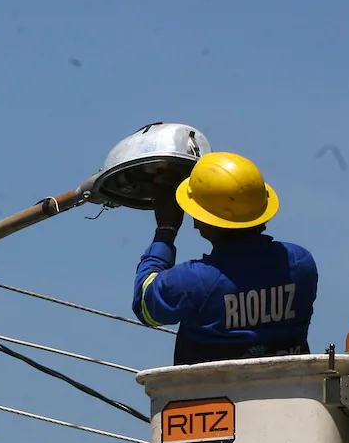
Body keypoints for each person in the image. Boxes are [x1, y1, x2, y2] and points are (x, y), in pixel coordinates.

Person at [132, 152, 317, 365]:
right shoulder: (300, 264)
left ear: (204, 220)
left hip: (209, 396)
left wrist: (166, 229)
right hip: (288, 392)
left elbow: (146, 306)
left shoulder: (194, 281)